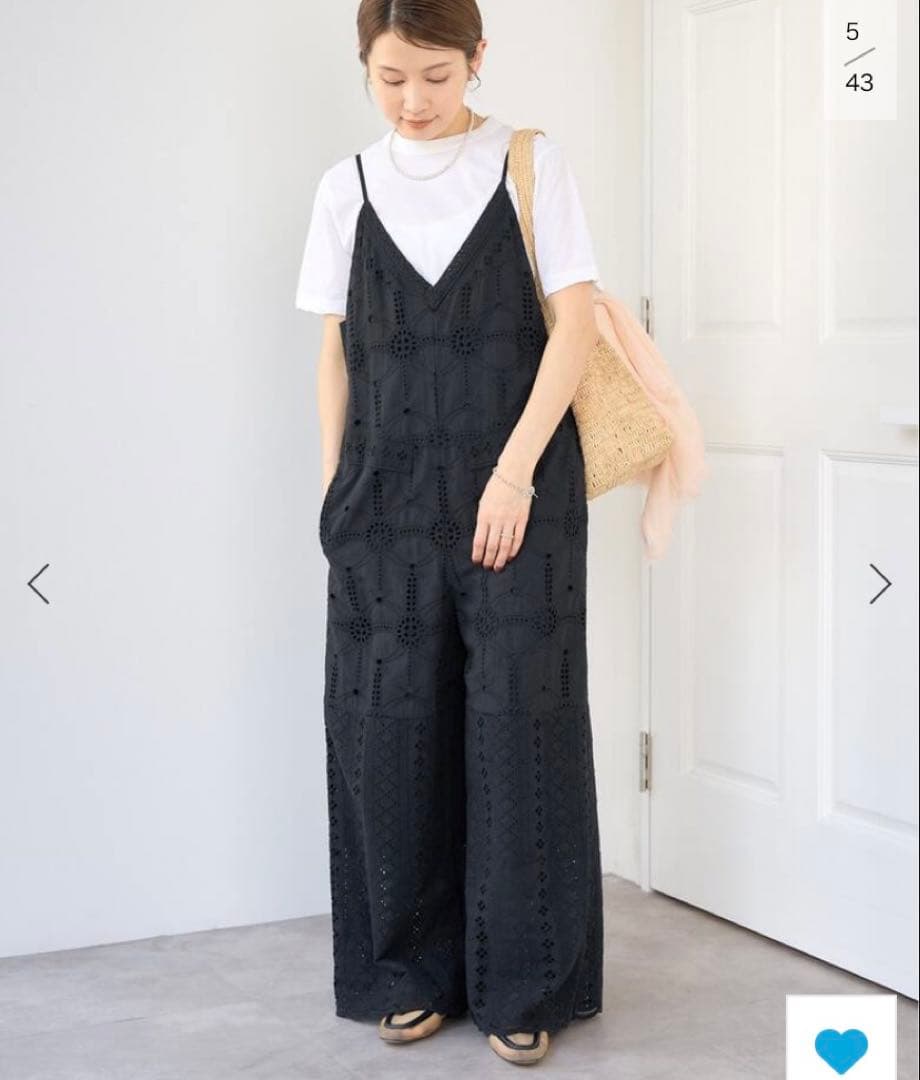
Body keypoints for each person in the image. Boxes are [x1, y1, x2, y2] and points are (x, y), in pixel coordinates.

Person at [294, 0, 604, 1066]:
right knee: (387, 731)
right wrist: (335, 492)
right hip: (380, 507)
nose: (414, 101)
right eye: (390, 78)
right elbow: (335, 352)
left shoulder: (530, 164)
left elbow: (575, 327)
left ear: (477, 59)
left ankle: (526, 986)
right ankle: (407, 974)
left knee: (521, 727)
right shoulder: (345, 188)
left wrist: (514, 474)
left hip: (518, 496)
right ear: (365, 68)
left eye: (435, 75)